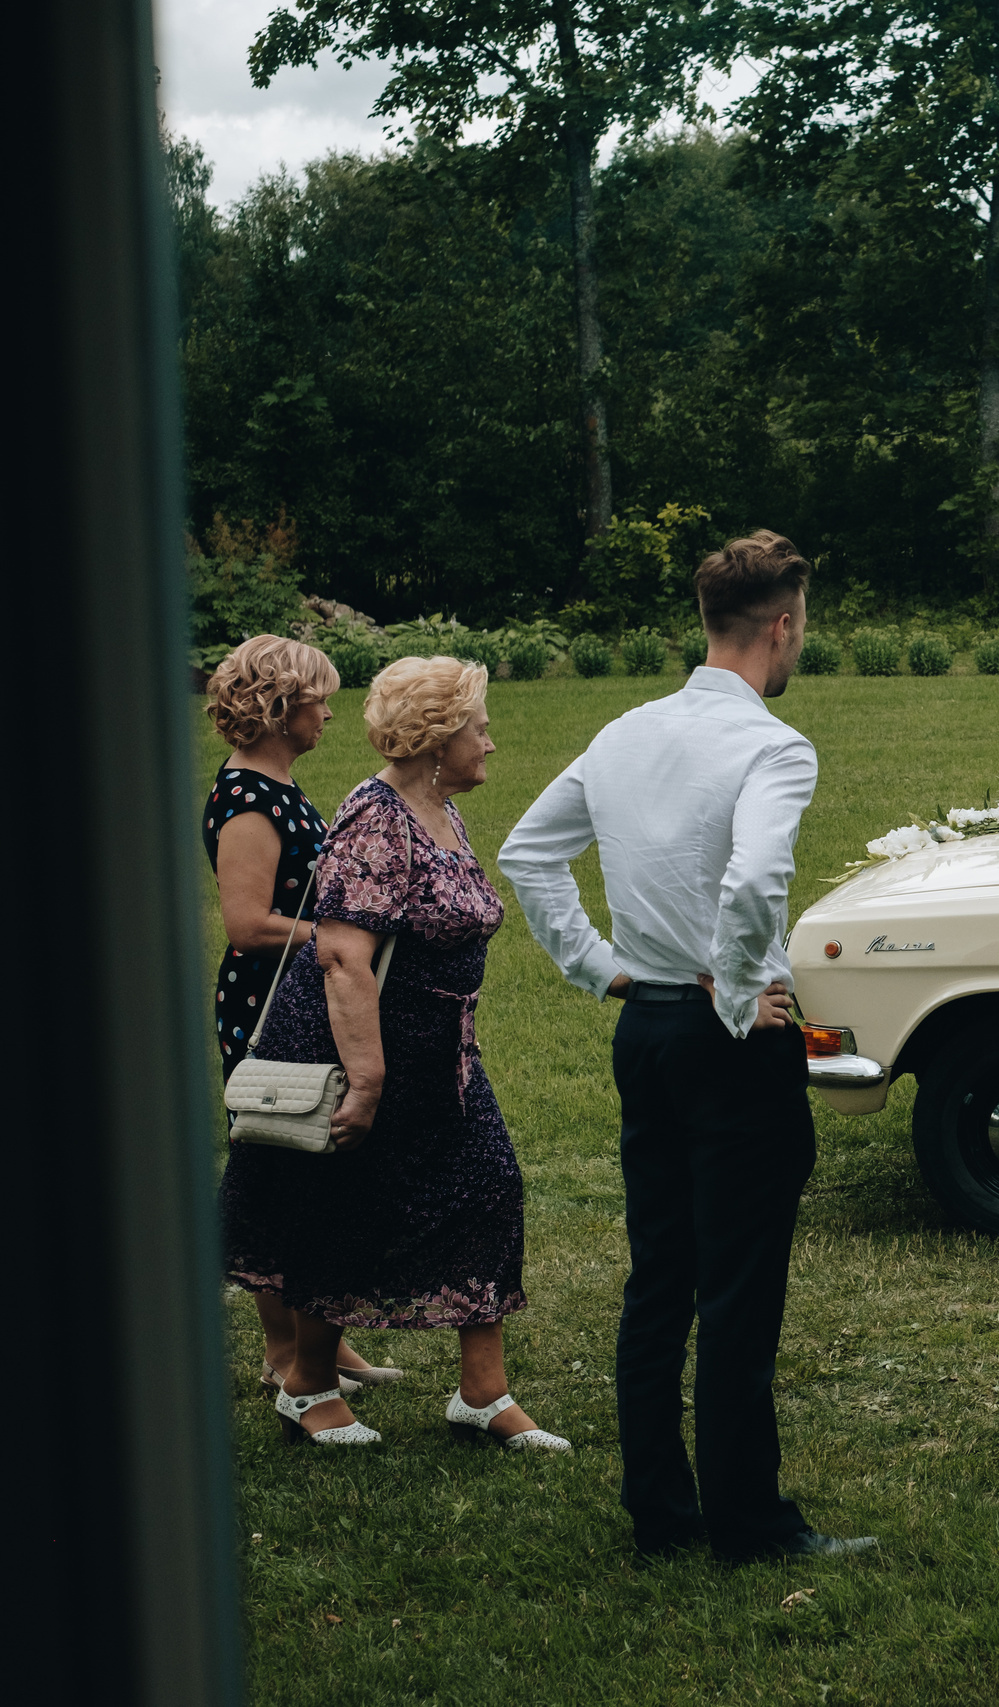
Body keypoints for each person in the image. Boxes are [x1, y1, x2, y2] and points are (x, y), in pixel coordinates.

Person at [500, 530, 869, 1563]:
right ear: (781, 627)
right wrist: (745, 990)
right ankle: (751, 1524)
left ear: (707, 623)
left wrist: (604, 969)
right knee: (740, 1287)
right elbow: (753, 883)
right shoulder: (771, 747)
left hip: (648, 1029)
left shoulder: (623, 733)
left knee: (659, 1276)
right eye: (802, 631)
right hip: (724, 1042)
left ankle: (660, 1514)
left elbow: (528, 855)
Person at [221, 656, 566, 1453]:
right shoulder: (377, 816)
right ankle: (307, 1385)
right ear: (439, 738)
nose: (492, 741)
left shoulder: (438, 807)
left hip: (442, 1053)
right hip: (363, 1049)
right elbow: (343, 955)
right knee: (343, 1207)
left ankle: (482, 1395)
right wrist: (367, 1079)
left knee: (489, 1188)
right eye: (479, 726)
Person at [203, 635, 400, 1399]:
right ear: (283, 708)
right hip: (262, 1002)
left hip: (297, 994)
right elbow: (248, 922)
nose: (330, 711)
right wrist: (340, 935)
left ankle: (328, 1346)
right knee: (277, 1159)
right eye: (320, 698)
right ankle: (283, 1352)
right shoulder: (249, 798)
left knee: (312, 1161)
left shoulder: (278, 783)